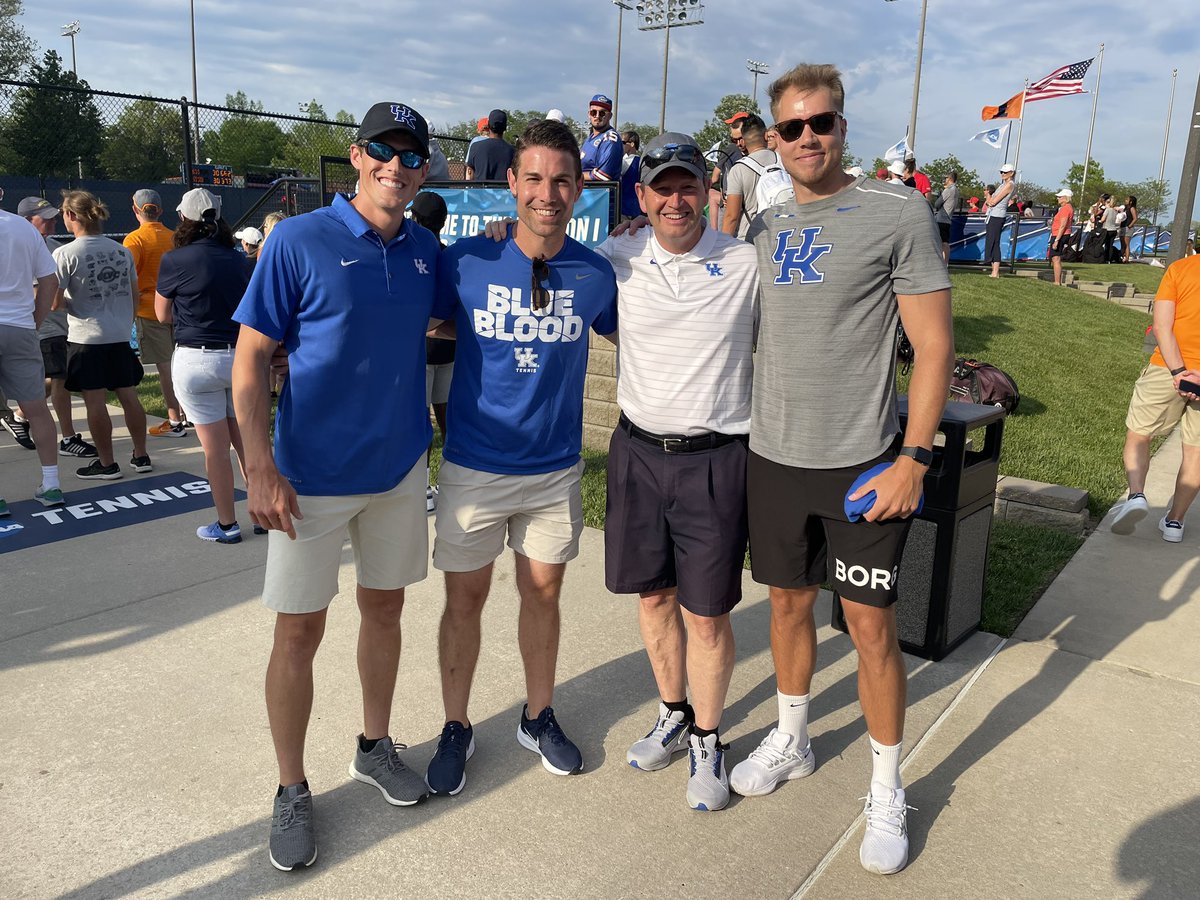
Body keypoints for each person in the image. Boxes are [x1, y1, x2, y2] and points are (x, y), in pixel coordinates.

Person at [734, 63, 953, 876]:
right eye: (791, 128)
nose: (807, 138)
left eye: (820, 123)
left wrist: (914, 458)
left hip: (862, 464)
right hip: (773, 457)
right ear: (773, 138)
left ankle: (888, 786)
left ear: (842, 127)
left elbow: (934, 344)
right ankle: (792, 738)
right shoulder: (766, 222)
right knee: (787, 606)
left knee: (868, 628)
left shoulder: (897, 211)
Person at [232, 100, 443, 872]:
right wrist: (259, 466)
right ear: (356, 156)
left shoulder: (426, 249)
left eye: (411, 156)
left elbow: (455, 317)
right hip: (308, 478)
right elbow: (250, 358)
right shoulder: (297, 239)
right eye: (383, 151)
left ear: (424, 169)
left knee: (385, 612)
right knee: (298, 633)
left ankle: (374, 747)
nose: (396, 166)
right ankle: (291, 787)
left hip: (398, 470)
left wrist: (503, 245)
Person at [424, 119, 617, 797]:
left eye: (561, 180)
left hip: (553, 469)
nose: (547, 193)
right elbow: (422, 321)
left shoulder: (596, 273)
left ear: (579, 188)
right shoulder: (467, 260)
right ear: (510, 183)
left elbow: (639, 333)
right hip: (475, 464)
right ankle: (456, 725)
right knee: (464, 600)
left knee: (543, 595)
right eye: (533, 177)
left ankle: (538, 716)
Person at [601, 132, 759, 812]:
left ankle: (707, 737)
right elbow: (540, 255)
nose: (675, 200)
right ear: (641, 196)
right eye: (661, 188)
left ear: (708, 192)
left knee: (708, 615)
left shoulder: (746, 262)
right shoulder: (618, 254)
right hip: (637, 452)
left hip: (716, 458)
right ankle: (672, 711)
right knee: (653, 599)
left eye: (686, 186)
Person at [155, 188, 250, 543]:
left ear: (183, 218)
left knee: (216, 451)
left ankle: (227, 525)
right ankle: (263, 514)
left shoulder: (175, 260)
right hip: (239, 357)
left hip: (195, 357)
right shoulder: (240, 260)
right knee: (247, 443)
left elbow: (162, 314)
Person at [54, 191, 151, 480]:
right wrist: (123, 320)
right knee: (129, 396)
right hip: (119, 335)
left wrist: (76, 304)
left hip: (87, 339)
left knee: (94, 401)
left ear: (71, 215)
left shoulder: (65, 253)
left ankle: (107, 463)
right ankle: (141, 455)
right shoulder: (121, 251)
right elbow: (134, 295)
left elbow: (54, 302)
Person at [1111, 251, 1200, 542]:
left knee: (1140, 433)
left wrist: (1179, 372)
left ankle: (1137, 495)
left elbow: (1162, 326)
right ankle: (1175, 522)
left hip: (1168, 367)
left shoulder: (1180, 269)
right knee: (1196, 451)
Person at [11, 197, 97, 458]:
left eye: (54, 216)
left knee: (55, 378)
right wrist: (36, 321)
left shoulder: (57, 247)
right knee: (61, 380)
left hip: (63, 324)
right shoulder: (20, 248)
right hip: (43, 326)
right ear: (26, 221)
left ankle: (19, 415)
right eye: (45, 218)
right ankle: (68, 438)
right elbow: (40, 293)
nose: (53, 221)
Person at [0, 204, 66, 514]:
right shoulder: (23, 228)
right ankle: (51, 484)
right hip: (21, 327)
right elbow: (50, 281)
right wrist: (34, 322)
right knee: (37, 409)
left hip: (20, 323)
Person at [124, 189, 187, 438]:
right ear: (160, 211)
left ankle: (174, 421)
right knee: (179, 364)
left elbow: (128, 274)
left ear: (135, 210)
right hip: (178, 308)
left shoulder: (134, 240)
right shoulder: (174, 237)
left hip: (150, 311)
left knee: (166, 369)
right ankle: (187, 413)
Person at [410, 190, 453, 512]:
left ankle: (424, 487)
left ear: (415, 219)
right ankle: (452, 483)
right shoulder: (451, 256)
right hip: (450, 350)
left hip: (422, 352)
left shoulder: (413, 255)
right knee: (449, 422)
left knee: (422, 424)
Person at [722, 113, 778, 239]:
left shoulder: (738, 169)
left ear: (745, 139)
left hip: (750, 239)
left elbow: (731, 217)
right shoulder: (784, 161)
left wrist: (722, 246)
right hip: (781, 235)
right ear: (766, 135)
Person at [707, 112, 747, 229]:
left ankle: (714, 231)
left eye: (733, 124)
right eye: (733, 139)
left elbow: (715, 177)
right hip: (744, 203)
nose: (730, 127)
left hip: (729, 202)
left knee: (711, 194)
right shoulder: (754, 151)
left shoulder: (731, 148)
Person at [580, 93, 621, 182]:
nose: (597, 116)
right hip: (586, 190)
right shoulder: (589, 138)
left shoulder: (610, 138)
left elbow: (604, 175)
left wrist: (574, 176)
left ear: (610, 116)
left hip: (601, 191)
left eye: (602, 113)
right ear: (589, 114)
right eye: (593, 112)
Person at [983, 164, 1015, 277]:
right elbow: (991, 201)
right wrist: (989, 200)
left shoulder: (1010, 184)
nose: (1003, 174)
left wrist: (989, 199)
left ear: (1011, 173)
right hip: (992, 215)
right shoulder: (1003, 185)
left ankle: (995, 271)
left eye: (1005, 172)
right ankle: (994, 271)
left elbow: (993, 201)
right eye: (1001, 172)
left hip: (997, 216)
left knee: (994, 243)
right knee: (992, 242)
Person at [465, 109, 514, 181]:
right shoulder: (512, 151)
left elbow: (469, 174)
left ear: (488, 125)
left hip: (480, 188)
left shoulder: (476, 146)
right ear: (505, 127)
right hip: (504, 188)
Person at [1049, 188, 1075, 285]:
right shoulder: (1067, 208)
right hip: (1060, 234)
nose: (1058, 198)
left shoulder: (1065, 209)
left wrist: (1057, 240)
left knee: (1056, 257)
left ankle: (1057, 281)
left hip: (1059, 235)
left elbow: (1063, 225)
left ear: (1065, 198)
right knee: (1055, 258)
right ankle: (1057, 280)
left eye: (1060, 197)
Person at [934, 172, 958, 264]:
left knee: (943, 242)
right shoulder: (956, 190)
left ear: (950, 179)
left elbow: (937, 204)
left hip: (942, 219)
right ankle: (944, 262)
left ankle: (943, 262)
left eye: (946, 178)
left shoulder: (949, 190)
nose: (945, 180)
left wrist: (940, 195)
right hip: (947, 219)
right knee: (944, 242)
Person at [619, 131, 642, 221]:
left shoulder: (625, 161)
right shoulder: (641, 161)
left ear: (632, 144)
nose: (621, 145)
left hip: (623, 209)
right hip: (636, 208)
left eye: (623, 142)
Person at [1100, 195, 1120, 263]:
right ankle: (1110, 259)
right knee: (1111, 245)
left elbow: (1103, 220)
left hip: (1107, 229)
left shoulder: (1107, 210)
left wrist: (1100, 221)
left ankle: (1106, 258)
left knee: (1106, 245)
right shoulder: (1115, 211)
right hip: (1114, 229)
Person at [1120, 195, 1139, 263]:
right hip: (1122, 227)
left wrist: (1129, 226)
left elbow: (1135, 218)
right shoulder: (1124, 208)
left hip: (1128, 228)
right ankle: (1122, 256)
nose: (1125, 201)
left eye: (1127, 200)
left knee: (1126, 243)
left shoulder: (1132, 208)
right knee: (1122, 243)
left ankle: (1127, 258)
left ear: (1131, 202)